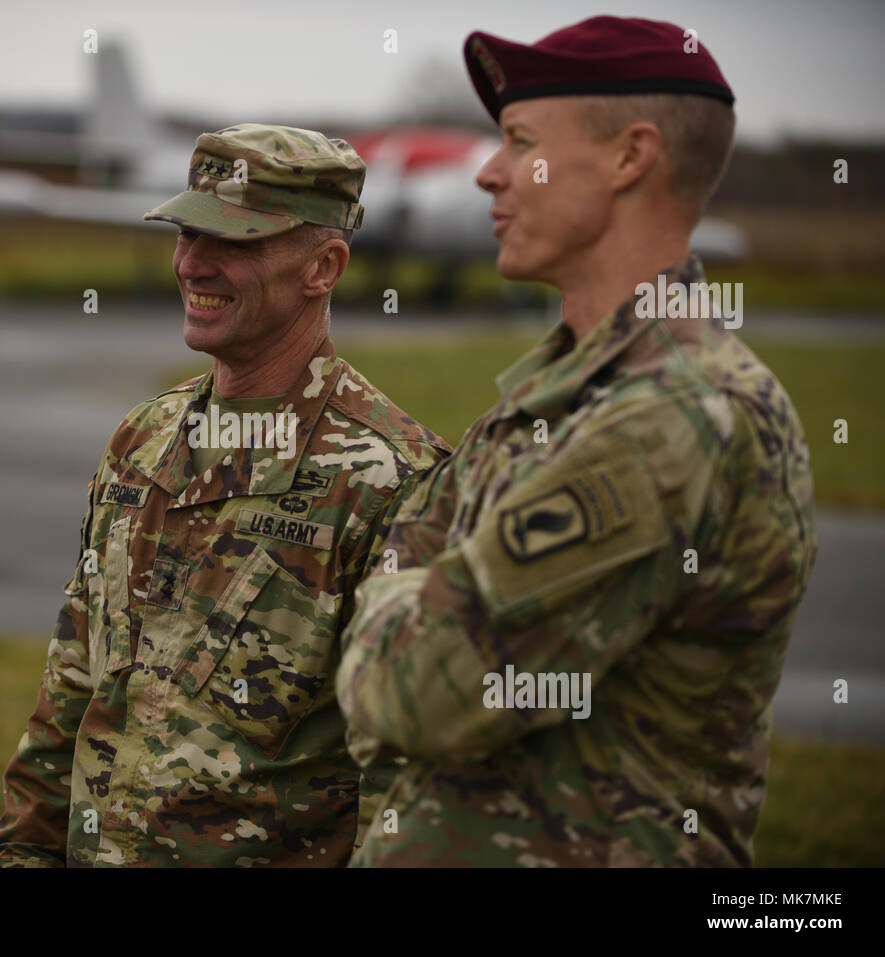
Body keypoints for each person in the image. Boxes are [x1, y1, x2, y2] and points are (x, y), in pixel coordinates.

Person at [336, 16, 817, 867]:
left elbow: (416, 697)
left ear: (632, 158)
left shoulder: (670, 418)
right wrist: (415, 602)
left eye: (521, 143)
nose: (488, 172)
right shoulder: (556, 394)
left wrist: (385, 601)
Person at [0, 123, 451, 866]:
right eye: (187, 234)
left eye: (235, 243)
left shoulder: (396, 482)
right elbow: (70, 690)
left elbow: (404, 785)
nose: (193, 264)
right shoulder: (142, 440)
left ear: (323, 267)